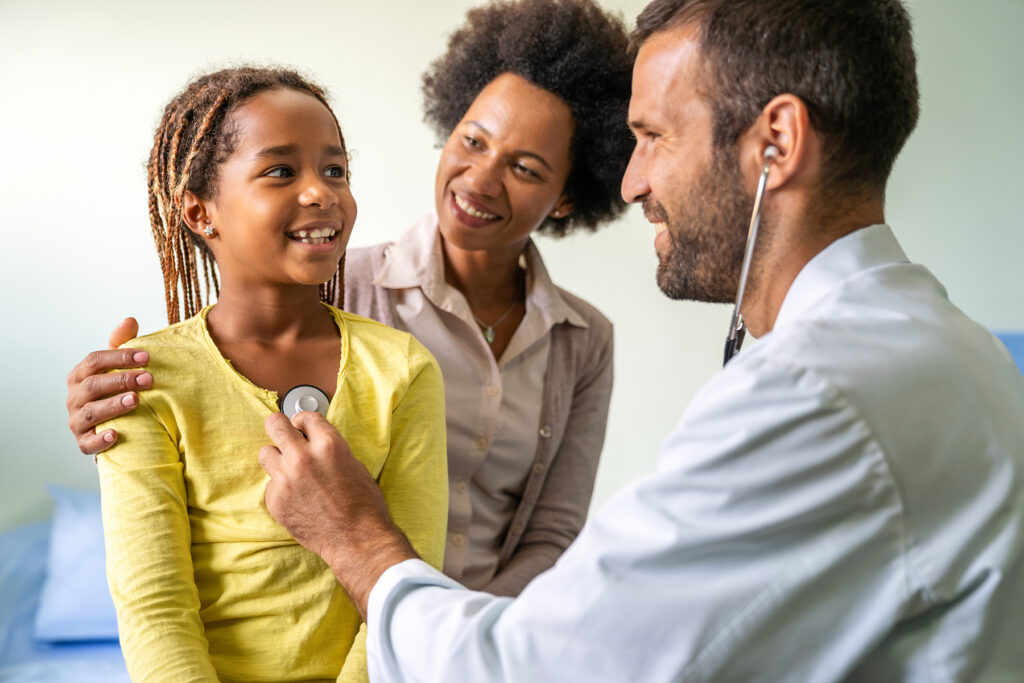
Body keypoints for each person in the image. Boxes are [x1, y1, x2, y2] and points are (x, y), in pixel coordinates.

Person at [257, 1, 1024, 681]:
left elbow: (535, 666)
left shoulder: (813, 392)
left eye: (654, 135)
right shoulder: (964, 349)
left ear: (778, 141)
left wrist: (360, 543)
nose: (630, 183)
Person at [65, 0, 634, 596]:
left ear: (567, 197)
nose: (481, 179)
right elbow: (220, 421)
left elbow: (555, 531)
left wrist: (463, 633)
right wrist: (104, 401)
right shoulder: (330, 287)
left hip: (489, 631)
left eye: (524, 167)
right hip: (362, 620)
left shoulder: (584, 339)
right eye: (472, 141)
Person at [95, 67, 447, 682]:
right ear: (201, 212)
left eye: (335, 169)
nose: (321, 192)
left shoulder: (404, 370)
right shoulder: (144, 383)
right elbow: (155, 609)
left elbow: (407, 584)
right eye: (281, 171)